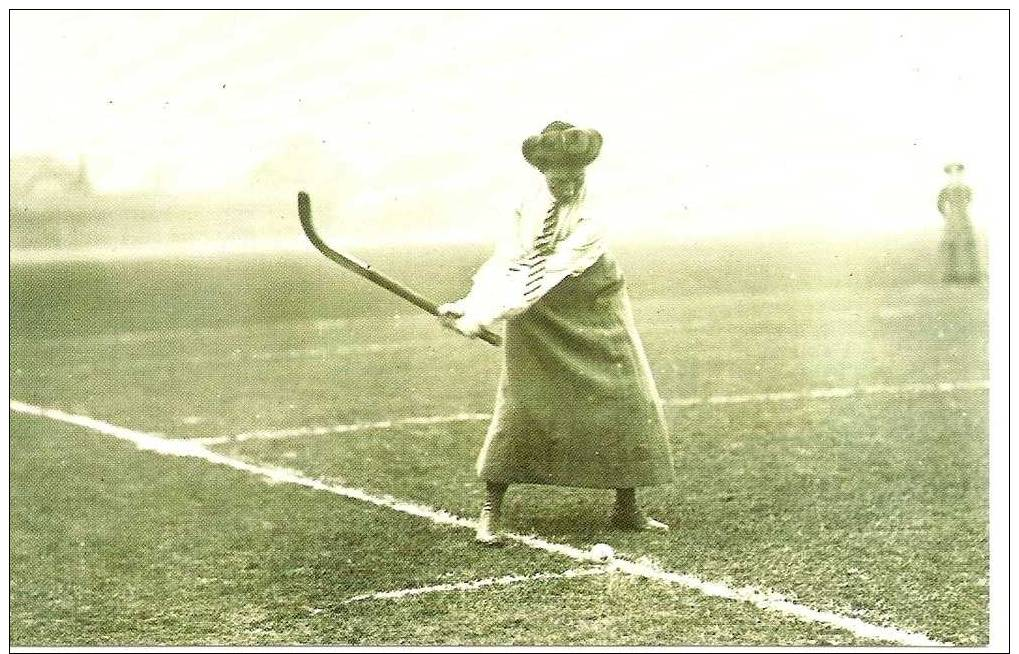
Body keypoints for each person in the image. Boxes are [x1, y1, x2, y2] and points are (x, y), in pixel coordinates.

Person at [438, 121, 675, 545]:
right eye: (557, 178)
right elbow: (509, 260)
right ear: (543, 172)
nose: (566, 186)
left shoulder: (597, 210)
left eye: (574, 178)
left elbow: (555, 268)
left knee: (625, 398)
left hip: (592, 301)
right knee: (521, 403)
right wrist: (471, 305)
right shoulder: (524, 205)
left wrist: (484, 317)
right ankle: (491, 511)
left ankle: (627, 507)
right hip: (534, 307)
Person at [937, 163, 981, 284]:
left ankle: (973, 275)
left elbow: (969, 200)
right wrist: (948, 215)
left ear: (961, 174)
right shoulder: (945, 190)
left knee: (968, 245)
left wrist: (961, 212)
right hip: (952, 221)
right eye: (952, 173)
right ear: (949, 175)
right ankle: (951, 276)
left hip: (964, 219)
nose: (955, 176)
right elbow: (940, 205)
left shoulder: (966, 188)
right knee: (951, 246)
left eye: (958, 173)